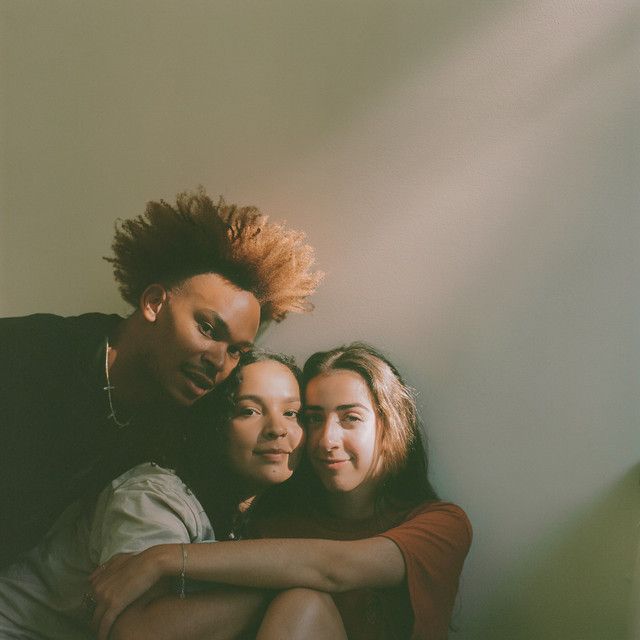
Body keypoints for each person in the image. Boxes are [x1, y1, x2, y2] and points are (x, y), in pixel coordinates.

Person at [0, 188, 322, 568]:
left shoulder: (179, 421)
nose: (219, 360)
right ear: (154, 303)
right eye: (207, 328)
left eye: (236, 350)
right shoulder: (27, 353)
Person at [91, 343, 472, 640]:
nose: (327, 439)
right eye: (312, 418)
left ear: (390, 430)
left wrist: (164, 558)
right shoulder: (272, 523)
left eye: (350, 418)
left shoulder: (438, 525)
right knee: (302, 603)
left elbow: (338, 569)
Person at [0, 350, 305, 640]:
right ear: (214, 422)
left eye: (291, 413)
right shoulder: (153, 494)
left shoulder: (262, 511)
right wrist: (279, 584)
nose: (278, 429)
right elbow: (141, 633)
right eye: (248, 411)